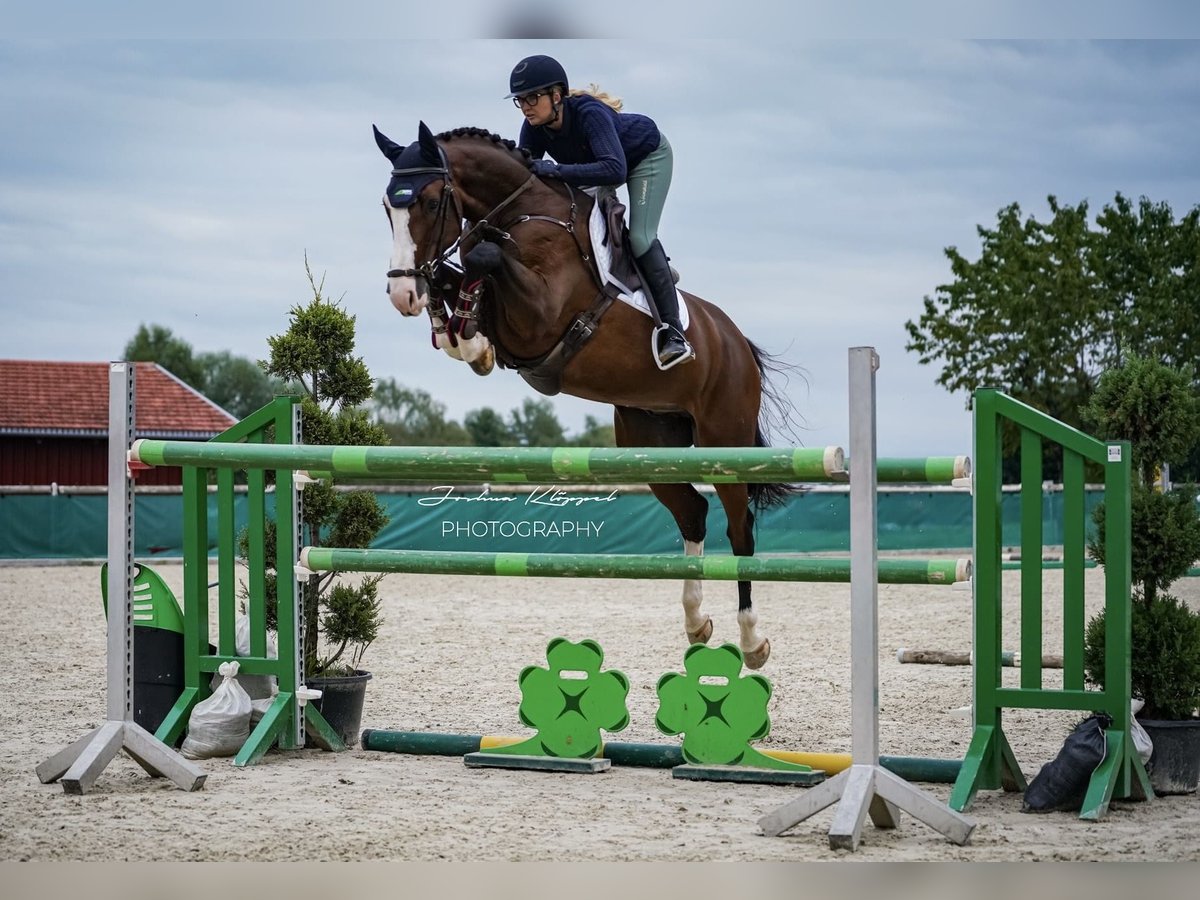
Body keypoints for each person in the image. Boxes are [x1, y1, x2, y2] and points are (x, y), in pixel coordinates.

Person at [506, 54, 695, 369]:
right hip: (597, 168)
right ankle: (648, 269)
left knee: (640, 237)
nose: (526, 106)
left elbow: (614, 170)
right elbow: (527, 175)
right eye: (520, 100)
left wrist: (556, 169)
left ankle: (673, 332)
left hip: (643, 160)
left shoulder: (590, 114)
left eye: (532, 97)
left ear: (557, 96)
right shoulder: (534, 127)